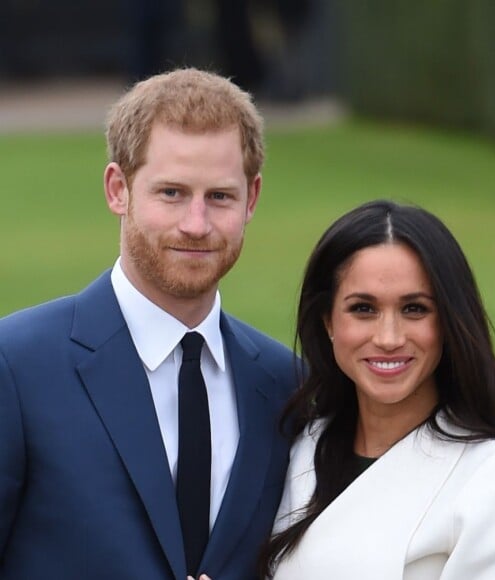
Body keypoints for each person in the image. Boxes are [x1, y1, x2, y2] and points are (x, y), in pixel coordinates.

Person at [0, 68, 299, 580]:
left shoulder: (286, 382)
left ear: (251, 198)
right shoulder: (16, 363)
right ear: (119, 189)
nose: (196, 224)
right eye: (172, 193)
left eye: (220, 197)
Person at [259, 199, 495, 579]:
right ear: (328, 322)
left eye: (415, 309)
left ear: (450, 321)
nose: (389, 338)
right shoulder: (302, 447)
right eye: (363, 309)